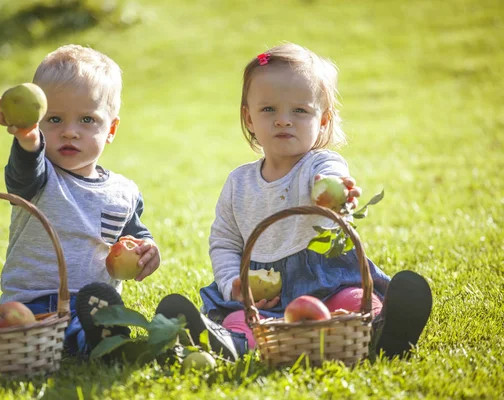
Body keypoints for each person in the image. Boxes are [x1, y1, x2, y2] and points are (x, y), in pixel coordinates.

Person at [158, 42, 432, 361]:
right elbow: (224, 241)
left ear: (324, 121)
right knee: (240, 318)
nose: (283, 120)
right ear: (249, 118)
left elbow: (332, 178)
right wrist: (233, 282)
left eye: (299, 110)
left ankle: (382, 330)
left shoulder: (318, 165)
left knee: (355, 300)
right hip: (266, 299)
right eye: (268, 109)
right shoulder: (239, 183)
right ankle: (229, 341)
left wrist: (333, 194)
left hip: (327, 282)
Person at [0, 44, 161, 355]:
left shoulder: (123, 192)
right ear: (40, 122)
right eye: (55, 120)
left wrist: (147, 249)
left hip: (90, 303)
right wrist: (27, 137)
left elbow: (133, 235)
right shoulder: (39, 177)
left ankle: (102, 337)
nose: (70, 132)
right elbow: (25, 165)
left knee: (81, 330)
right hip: (30, 304)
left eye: (87, 120)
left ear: (110, 129)